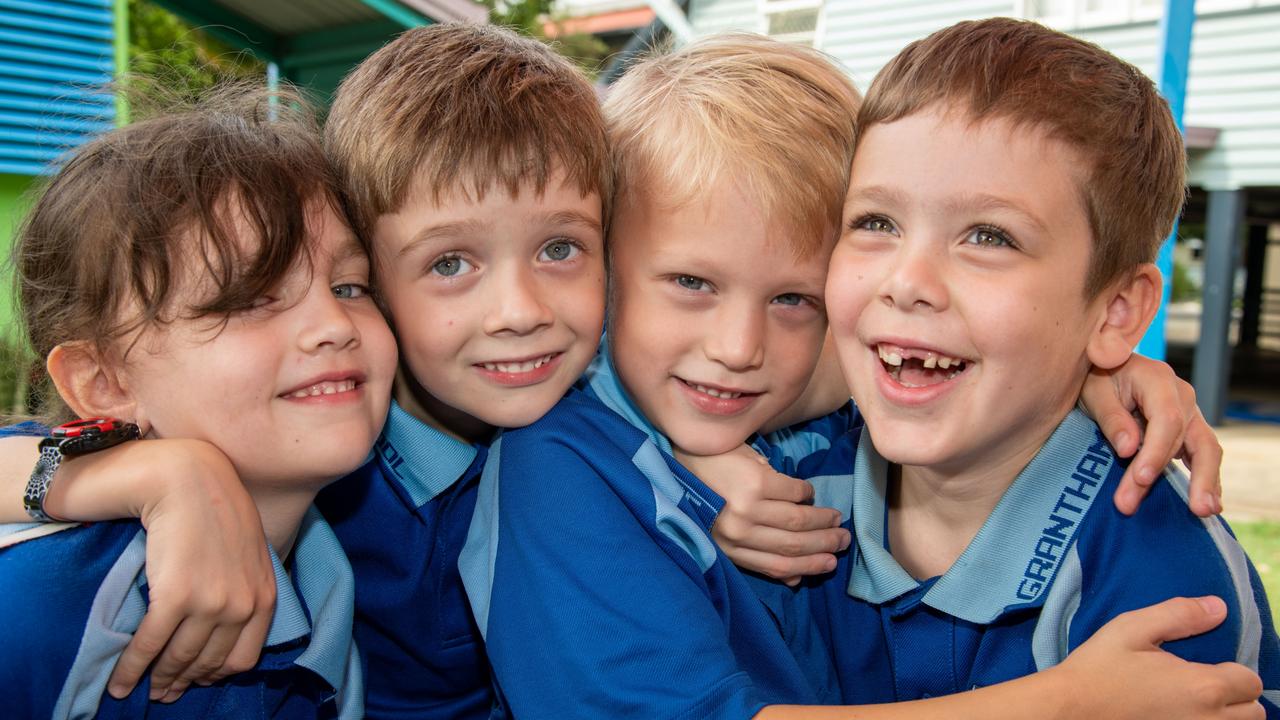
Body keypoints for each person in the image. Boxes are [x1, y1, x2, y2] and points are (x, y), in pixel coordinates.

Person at [458, 33, 1263, 720]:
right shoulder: (575, 460)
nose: (739, 348)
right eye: (878, 223)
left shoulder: (1158, 568)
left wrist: (1100, 368)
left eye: (795, 298)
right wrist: (1061, 703)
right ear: (603, 275)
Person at [808, 17, 1279, 712]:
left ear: (1116, 310)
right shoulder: (791, 475)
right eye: (876, 222)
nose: (907, 281)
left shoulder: (1165, 581)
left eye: (989, 236)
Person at [0, 84, 397, 717]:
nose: (335, 323)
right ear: (106, 384)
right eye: (252, 297)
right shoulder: (46, 607)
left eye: (351, 286)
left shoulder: (330, 574)